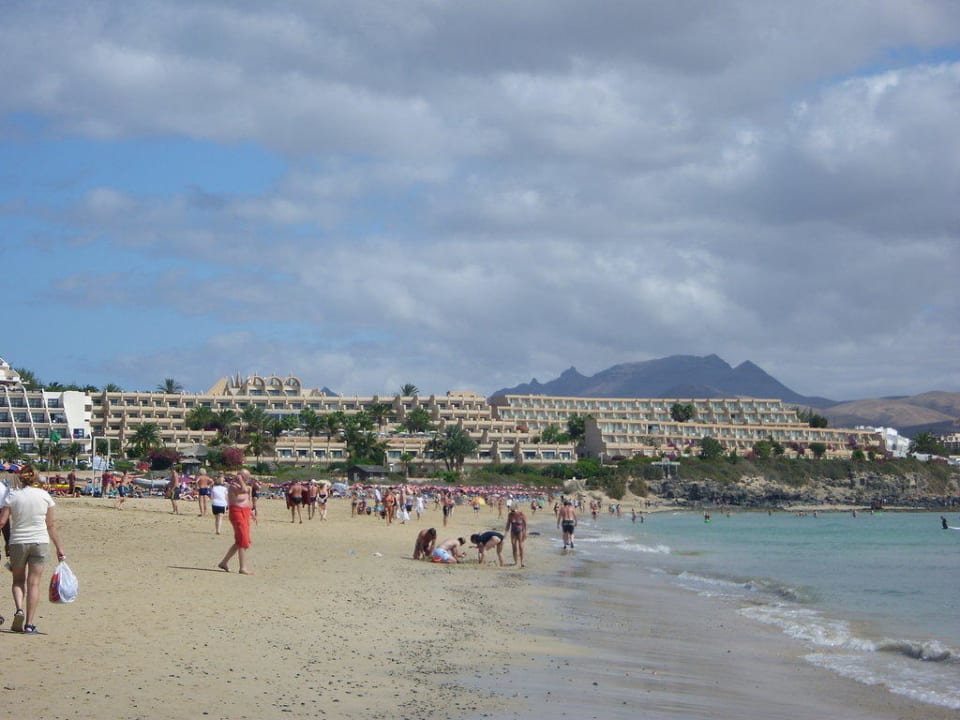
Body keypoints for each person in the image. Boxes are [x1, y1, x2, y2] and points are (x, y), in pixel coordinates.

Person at [0, 465, 66, 633]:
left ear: (21, 478)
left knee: (18, 581)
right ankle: (29, 625)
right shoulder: (45, 496)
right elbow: (50, 526)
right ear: (36, 478)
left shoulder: (12, 496)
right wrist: (59, 548)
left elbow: (2, 522)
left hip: (18, 542)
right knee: (34, 583)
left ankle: (19, 609)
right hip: (40, 542)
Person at [218, 471, 253, 574]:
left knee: (241, 541)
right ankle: (243, 567)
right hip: (236, 512)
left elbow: (247, 499)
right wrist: (240, 480)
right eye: (246, 477)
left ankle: (224, 562)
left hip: (245, 512)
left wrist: (251, 512)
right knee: (243, 540)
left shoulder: (245, 486)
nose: (248, 478)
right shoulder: (233, 486)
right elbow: (243, 490)